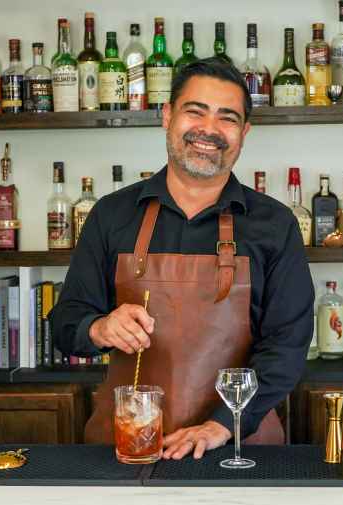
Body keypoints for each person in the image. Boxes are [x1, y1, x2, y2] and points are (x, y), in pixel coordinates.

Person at [50, 58, 314, 460]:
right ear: (167, 116)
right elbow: (66, 323)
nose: (209, 130)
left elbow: (287, 345)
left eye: (227, 118)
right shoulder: (112, 214)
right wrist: (100, 327)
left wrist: (221, 425)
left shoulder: (275, 225)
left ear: (243, 133)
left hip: (238, 448)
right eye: (195, 111)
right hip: (127, 447)